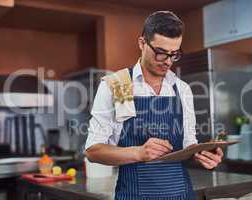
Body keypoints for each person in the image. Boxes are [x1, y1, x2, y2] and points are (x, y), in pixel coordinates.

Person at [85, 11, 223, 200]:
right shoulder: (118, 85)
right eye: (160, 53)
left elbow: (188, 145)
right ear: (142, 43)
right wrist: (139, 153)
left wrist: (203, 155)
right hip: (134, 194)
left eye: (174, 54)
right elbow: (93, 151)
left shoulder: (181, 89)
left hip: (181, 194)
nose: (167, 61)